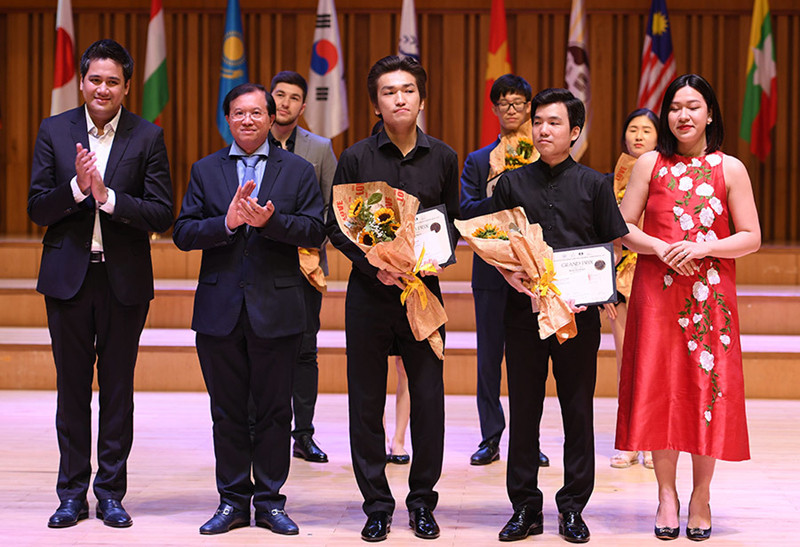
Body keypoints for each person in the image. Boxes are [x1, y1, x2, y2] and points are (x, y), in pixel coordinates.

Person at [27, 39, 173, 530]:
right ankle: (71, 493)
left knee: (117, 389)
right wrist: (76, 188)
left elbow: (161, 212)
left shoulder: (148, 136)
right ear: (82, 82)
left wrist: (108, 197)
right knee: (71, 391)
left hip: (123, 281)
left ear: (127, 87)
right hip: (68, 277)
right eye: (95, 79)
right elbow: (36, 209)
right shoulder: (55, 130)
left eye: (113, 81)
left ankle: (110, 492)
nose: (103, 88)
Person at [173, 83, 326, 536]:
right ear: (228, 118)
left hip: (277, 307)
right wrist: (227, 223)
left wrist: (271, 222)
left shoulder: (297, 170)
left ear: (272, 115)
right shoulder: (206, 170)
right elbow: (183, 232)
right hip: (221, 309)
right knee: (228, 410)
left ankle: (271, 501)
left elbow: (316, 229)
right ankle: (233, 500)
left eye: (257, 112)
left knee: (277, 410)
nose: (248, 120)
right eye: (239, 113)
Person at [615, 74, 760, 541]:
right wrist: (660, 245)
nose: (683, 115)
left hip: (709, 300)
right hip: (656, 295)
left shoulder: (731, 168)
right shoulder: (649, 164)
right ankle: (665, 494)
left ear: (710, 114)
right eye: (675, 107)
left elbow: (751, 237)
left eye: (693, 106)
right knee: (660, 391)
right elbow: (622, 228)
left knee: (705, 393)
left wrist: (702, 248)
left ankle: (700, 495)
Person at [326, 55, 460, 542]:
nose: (399, 98)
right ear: (376, 102)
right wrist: (373, 266)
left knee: (428, 400)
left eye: (407, 90)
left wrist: (435, 259)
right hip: (369, 295)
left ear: (422, 98)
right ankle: (377, 504)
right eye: (389, 91)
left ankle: (422, 502)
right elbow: (336, 226)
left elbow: (451, 225)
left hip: (423, 296)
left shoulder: (443, 157)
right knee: (365, 402)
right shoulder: (357, 157)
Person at [492, 88, 628, 543]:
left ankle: (573, 507)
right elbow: (497, 247)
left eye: (554, 123)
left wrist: (599, 288)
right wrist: (510, 274)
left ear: (574, 131)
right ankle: (525, 508)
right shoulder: (511, 183)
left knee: (577, 411)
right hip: (524, 313)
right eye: (538, 122)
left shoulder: (594, 183)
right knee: (524, 411)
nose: (543, 130)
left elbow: (610, 244)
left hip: (577, 317)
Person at [459, 73, 549, 468]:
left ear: (529, 108)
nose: (512, 110)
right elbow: (465, 211)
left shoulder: (545, 156)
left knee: (532, 360)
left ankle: (530, 440)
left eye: (519, 103)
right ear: (494, 109)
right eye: (504, 104)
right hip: (491, 272)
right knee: (489, 358)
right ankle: (490, 437)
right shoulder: (479, 161)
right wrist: (499, 192)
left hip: (536, 272)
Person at [268, 70, 337, 463]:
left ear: (303, 106)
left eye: (294, 98)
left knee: (305, 351)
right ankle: (262, 427)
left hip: (307, 264)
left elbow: (331, 206)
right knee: (261, 347)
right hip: (261, 262)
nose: (285, 103)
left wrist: (309, 240)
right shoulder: (251, 140)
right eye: (279, 95)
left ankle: (304, 433)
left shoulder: (320, 148)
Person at [607, 108, 659, 471]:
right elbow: (603, 234)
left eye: (646, 130)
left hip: (655, 274)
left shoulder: (666, 173)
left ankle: (654, 442)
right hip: (619, 278)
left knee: (655, 363)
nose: (638, 136)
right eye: (633, 129)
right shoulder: (610, 179)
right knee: (627, 364)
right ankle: (629, 441)